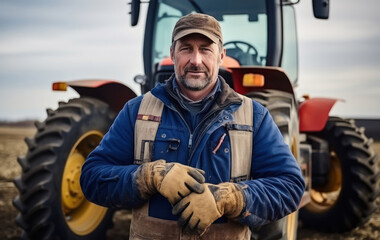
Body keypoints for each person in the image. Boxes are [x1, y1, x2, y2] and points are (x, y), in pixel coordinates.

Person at [80, 13, 305, 239]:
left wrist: (230, 198)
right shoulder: (137, 111)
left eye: (206, 49)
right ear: (172, 54)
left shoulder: (253, 116)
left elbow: (290, 186)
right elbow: (92, 177)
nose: (195, 60)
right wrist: (149, 177)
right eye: (186, 48)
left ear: (221, 55)